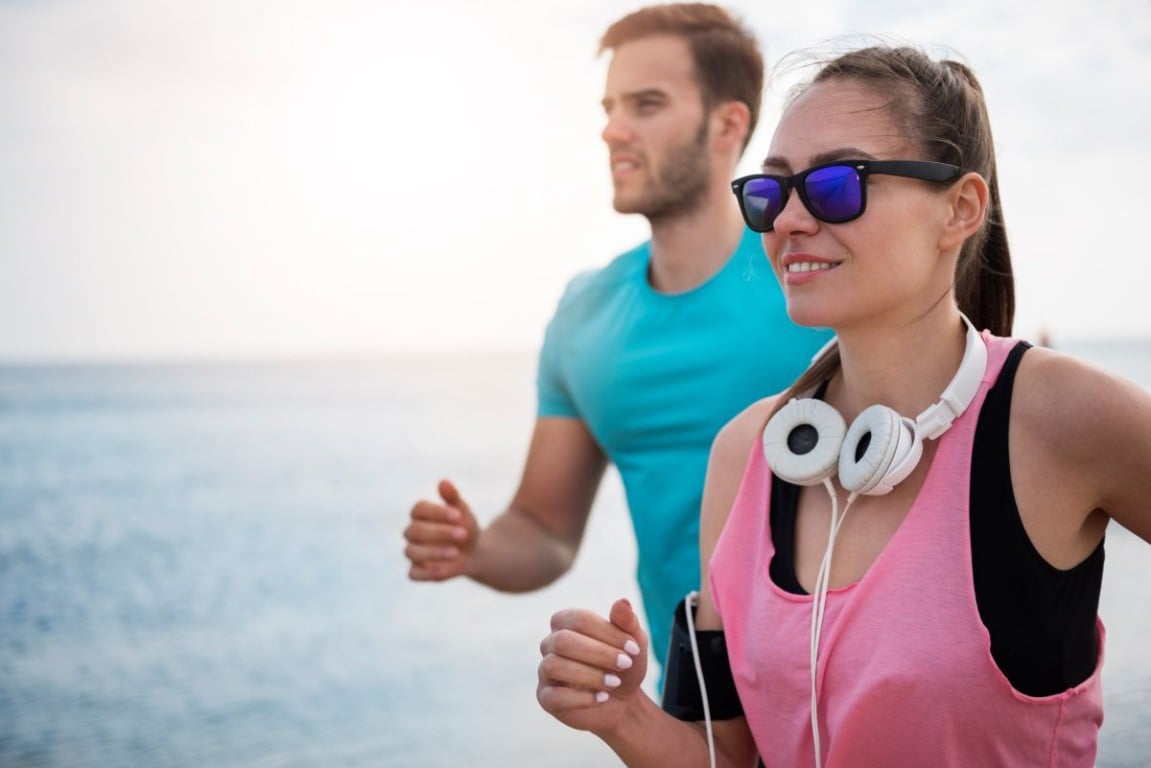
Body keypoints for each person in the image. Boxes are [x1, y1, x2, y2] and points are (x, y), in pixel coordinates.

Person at [536, 42, 1151, 767]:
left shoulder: (1060, 417)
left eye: (836, 186)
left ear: (959, 209)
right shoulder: (744, 456)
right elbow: (725, 755)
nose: (789, 221)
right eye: (770, 194)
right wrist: (624, 717)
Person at [402, 3, 832, 676]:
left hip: (853, 699)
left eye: (646, 104)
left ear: (728, 125)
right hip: (691, 711)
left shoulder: (816, 280)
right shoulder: (583, 317)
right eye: (609, 108)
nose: (612, 129)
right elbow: (544, 531)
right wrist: (476, 550)